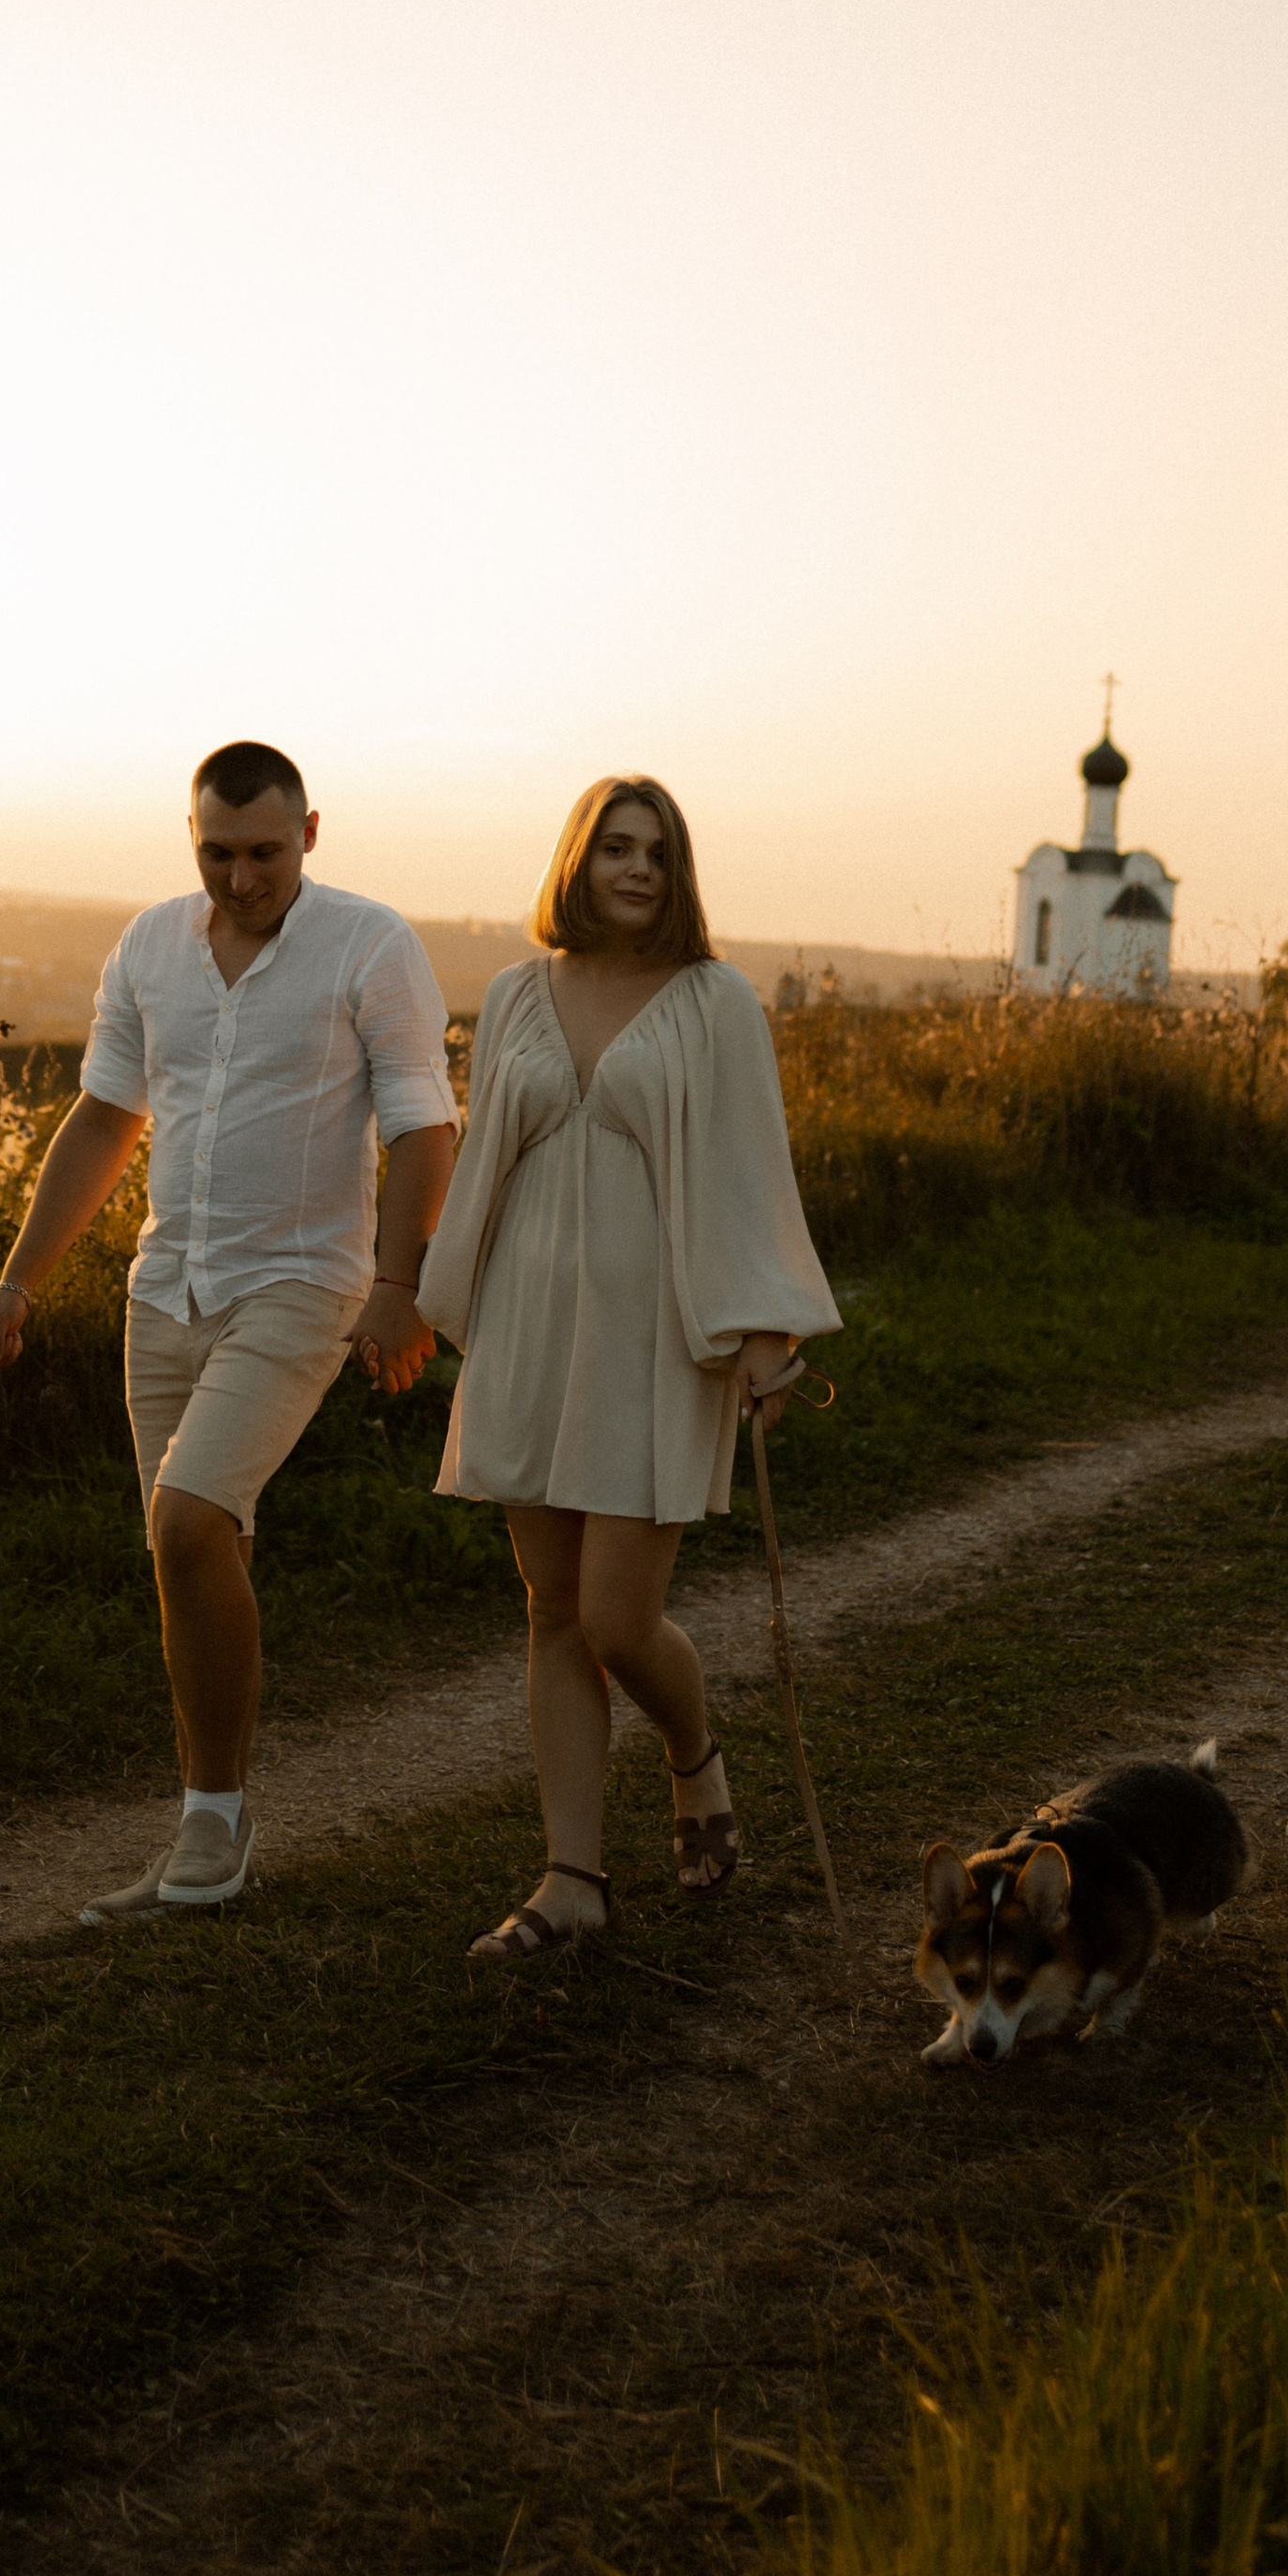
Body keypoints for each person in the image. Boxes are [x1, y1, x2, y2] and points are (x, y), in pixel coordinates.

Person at [0, 741, 457, 1920]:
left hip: (301, 1285)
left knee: (189, 1522)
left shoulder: (371, 944)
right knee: (190, 1555)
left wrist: (400, 1287)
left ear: (311, 832)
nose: (242, 878)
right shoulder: (147, 946)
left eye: (265, 854)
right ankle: (214, 1819)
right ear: (192, 837)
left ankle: (211, 1833)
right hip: (162, 1292)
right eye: (218, 853)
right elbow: (103, 1118)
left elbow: (423, 1128)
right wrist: (19, 1280)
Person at [417, 774, 838, 1956]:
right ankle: (572, 1882)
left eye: (656, 849)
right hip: (531, 1326)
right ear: (578, 860)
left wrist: (765, 1332)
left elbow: (753, 1172)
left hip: (654, 1335)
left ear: (677, 868)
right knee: (552, 1611)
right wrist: (429, 1295)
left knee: (616, 1616)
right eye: (615, 846)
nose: (637, 867)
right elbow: (487, 1157)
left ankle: (692, 1753)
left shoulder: (715, 1003)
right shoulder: (513, 995)